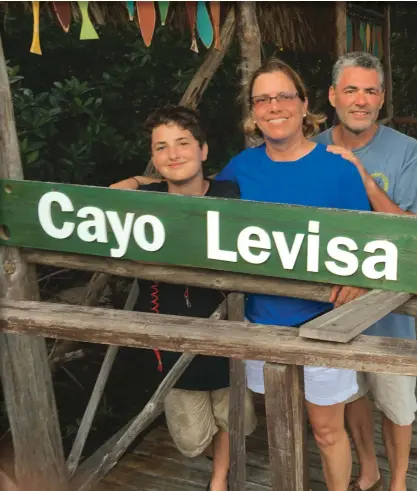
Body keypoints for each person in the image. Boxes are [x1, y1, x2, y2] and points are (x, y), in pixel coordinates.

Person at [111, 58, 372, 491]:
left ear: (305, 105)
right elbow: (198, 185)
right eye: (263, 99)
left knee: (327, 431)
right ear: (253, 112)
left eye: (284, 96)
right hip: (259, 320)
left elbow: (369, 239)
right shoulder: (241, 168)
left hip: (325, 321)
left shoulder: (338, 166)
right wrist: (140, 182)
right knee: (278, 428)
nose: (274, 106)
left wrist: (360, 278)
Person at [129, 105, 257, 491]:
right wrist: (134, 182)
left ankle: (219, 479)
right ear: (153, 158)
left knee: (232, 418)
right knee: (190, 438)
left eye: (183, 143)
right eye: (162, 147)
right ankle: (212, 462)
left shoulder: (230, 194)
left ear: (203, 150)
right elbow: (99, 201)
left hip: (227, 334)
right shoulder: (142, 200)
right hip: (168, 340)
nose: (174, 154)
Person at [313, 51, 417, 491]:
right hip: (333, 304)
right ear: (333, 95)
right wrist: (146, 183)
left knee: (398, 406)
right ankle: (367, 468)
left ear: (381, 98)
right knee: (350, 395)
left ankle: (396, 483)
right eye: (351, 89)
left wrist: (363, 179)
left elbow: (411, 230)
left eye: (370, 90)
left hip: (394, 310)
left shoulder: (406, 150)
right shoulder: (311, 148)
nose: (361, 100)